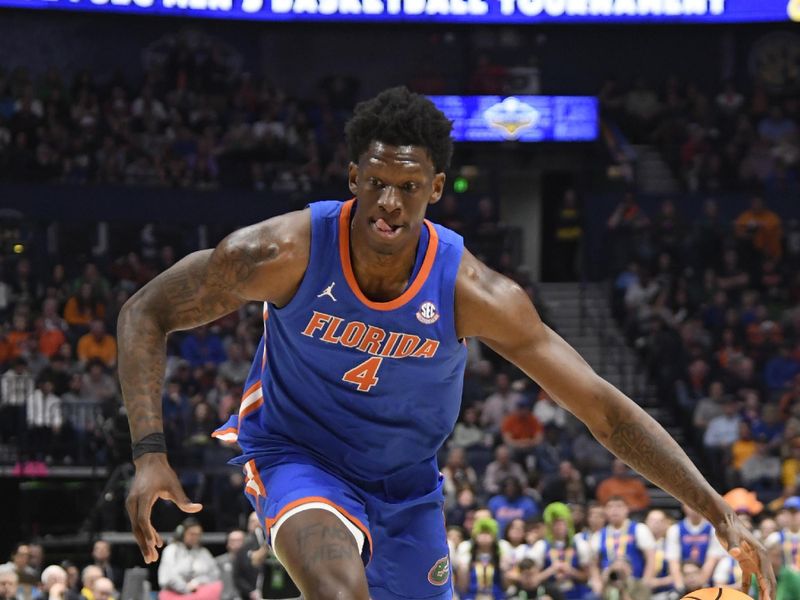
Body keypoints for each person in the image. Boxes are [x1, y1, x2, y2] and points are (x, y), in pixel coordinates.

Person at [119, 86, 774, 600]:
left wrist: (715, 509)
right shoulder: (278, 253)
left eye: (408, 187)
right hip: (298, 453)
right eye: (376, 181)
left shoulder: (476, 293)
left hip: (407, 483)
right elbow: (145, 311)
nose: (389, 204)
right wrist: (149, 452)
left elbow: (604, 411)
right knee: (337, 589)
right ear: (353, 178)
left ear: (435, 189)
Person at [157, 519, 222, 600]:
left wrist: (197, 582)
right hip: (174, 594)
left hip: (199, 593)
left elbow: (214, 574)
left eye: (198, 534)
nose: (195, 537)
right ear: (182, 534)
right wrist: (186, 588)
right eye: (192, 534)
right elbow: (168, 577)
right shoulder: (172, 550)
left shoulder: (203, 552)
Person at [666, 504, 725, 590]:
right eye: (690, 505)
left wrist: (701, 583)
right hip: (684, 578)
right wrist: (680, 586)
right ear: (684, 507)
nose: (694, 509)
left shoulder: (713, 529)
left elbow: (713, 559)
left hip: (707, 581)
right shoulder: (675, 529)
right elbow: (673, 561)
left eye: (696, 505)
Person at [215, 530, 245, 600]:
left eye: (239, 540)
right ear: (228, 543)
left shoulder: (251, 562)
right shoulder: (218, 562)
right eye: (233, 540)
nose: (236, 543)